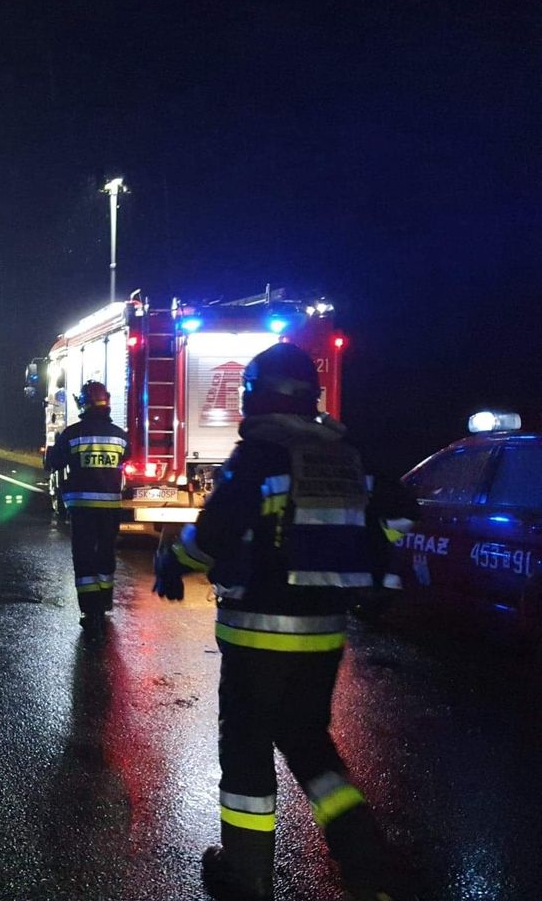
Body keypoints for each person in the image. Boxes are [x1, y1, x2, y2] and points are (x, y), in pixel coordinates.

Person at [153, 342, 414, 901]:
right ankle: (367, 863)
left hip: (255, 634)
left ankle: (246, 876)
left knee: (246, 748)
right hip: (325, 634)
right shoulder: (348, 455)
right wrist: (373, 562)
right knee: (309, 742)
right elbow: (398, 514)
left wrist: (174, 562)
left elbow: (214, 535)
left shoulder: (260, 456)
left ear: (254, 394)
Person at [44, 380, 128, 641]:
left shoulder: (72, 434)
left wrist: (50, 450)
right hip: (110, 507)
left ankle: (90, 612)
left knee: (84, 558)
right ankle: (103, 604)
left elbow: (54, 464)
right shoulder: (119, 435)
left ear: (83, 402)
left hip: (82, 508)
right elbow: (126, 458)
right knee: (105, 556)